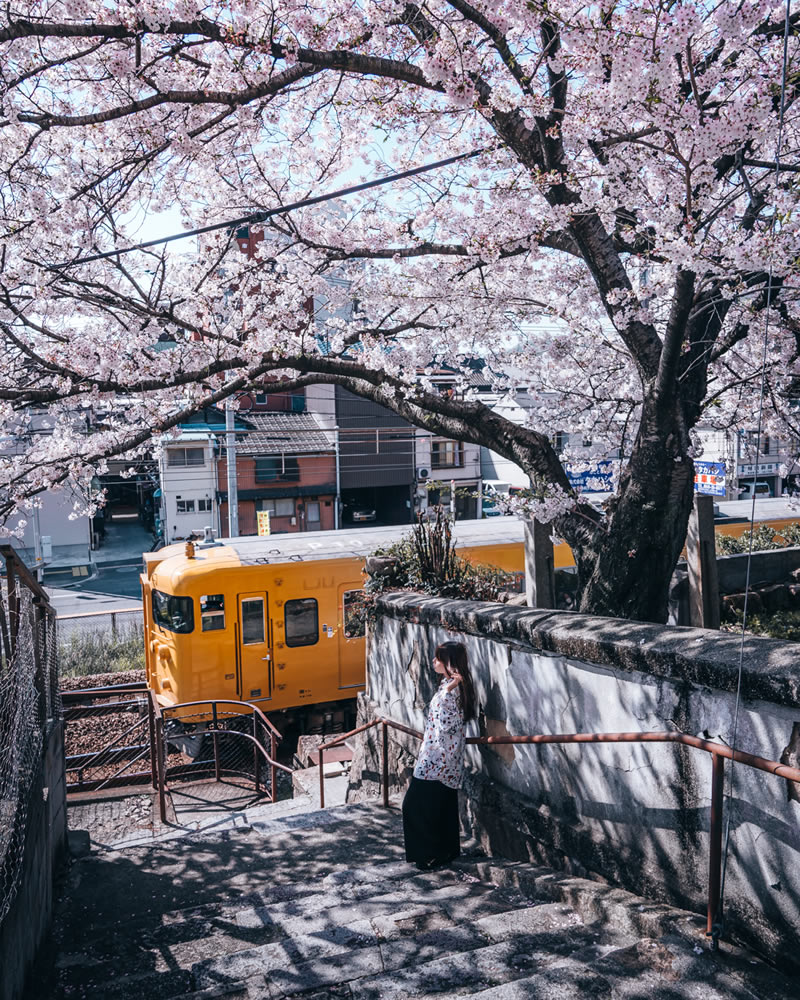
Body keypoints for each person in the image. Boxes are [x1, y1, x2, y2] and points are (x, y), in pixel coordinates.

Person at [402, 640, 477, 870]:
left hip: (437, 759)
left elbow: (446, 727)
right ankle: (446, 851)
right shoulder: (451, 687)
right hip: (444, 758)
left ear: (449, 663)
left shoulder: (450, 692)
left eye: (438, 658)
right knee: (441, 805)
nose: (433, 661)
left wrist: (448, 689)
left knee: (414, 806)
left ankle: (428, 854)